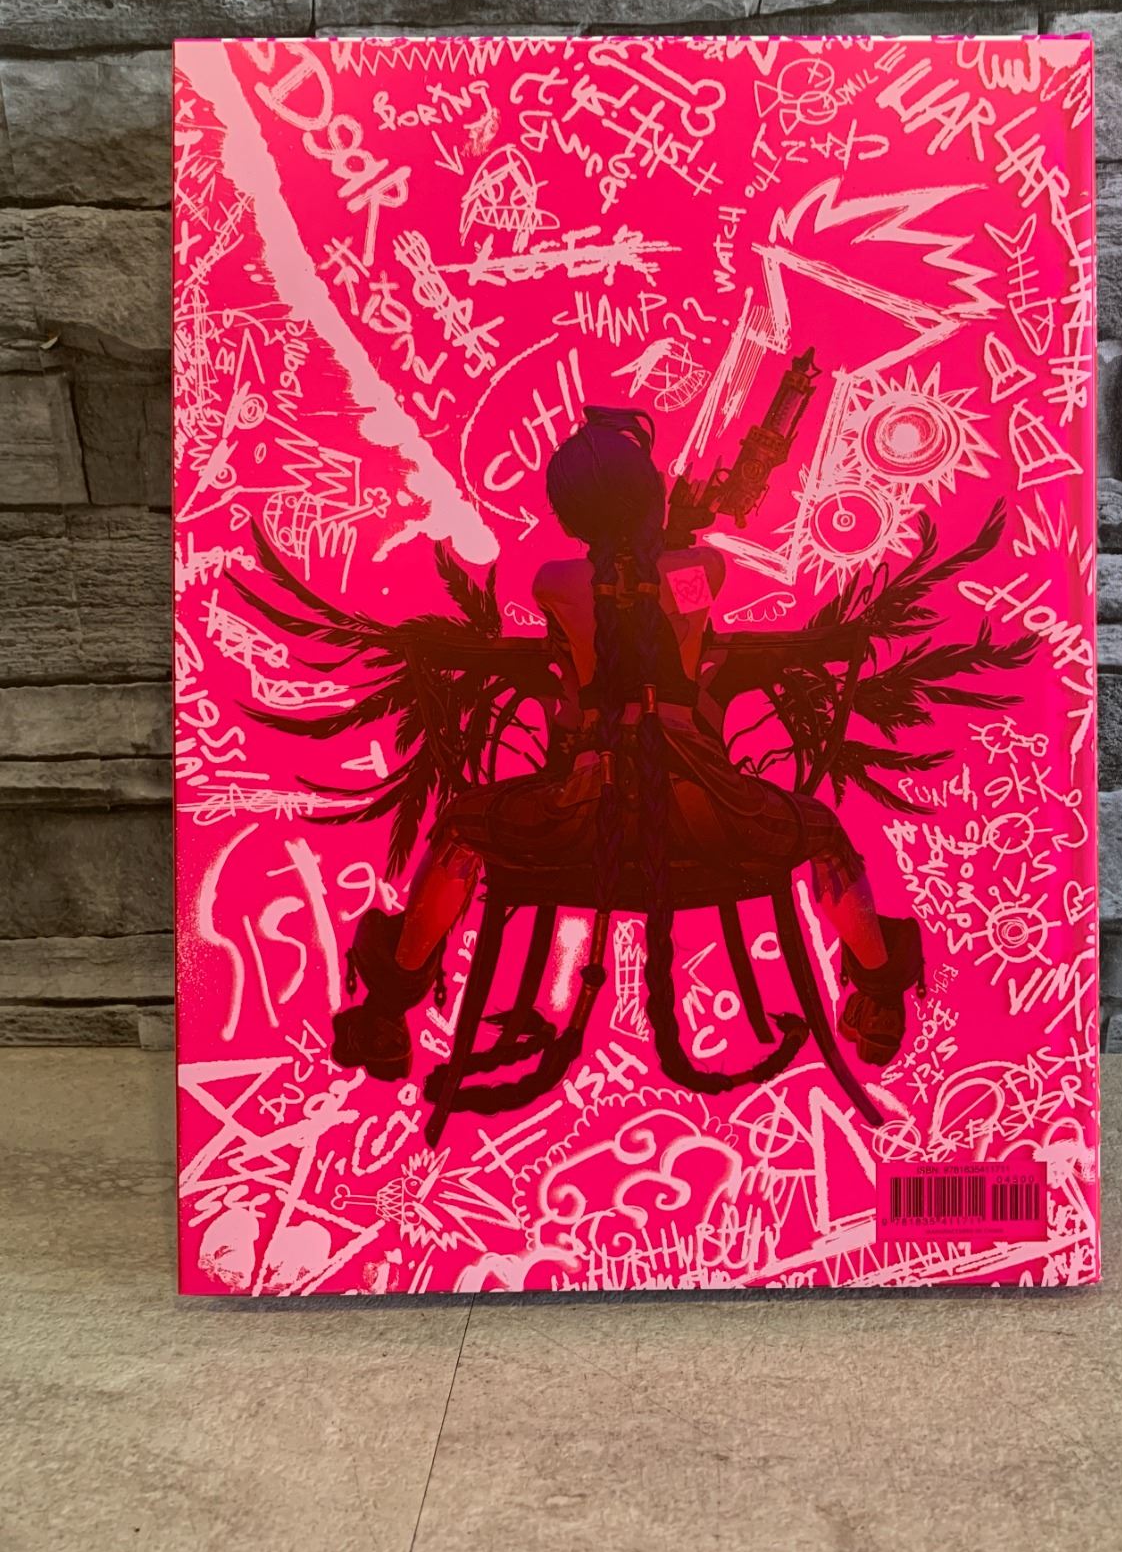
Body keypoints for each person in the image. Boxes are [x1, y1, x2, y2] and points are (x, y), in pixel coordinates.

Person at [333, 406, 926, 1089]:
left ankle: (392, 998)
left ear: (570, 515)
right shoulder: (700, 568)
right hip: (708, 813)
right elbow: (686, 598)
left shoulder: (553, 583)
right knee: (821, 830)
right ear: (650, 496)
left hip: (585, 815)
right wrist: (669, 541)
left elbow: (578, 679)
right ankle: (880, 992)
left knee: (463, 826)